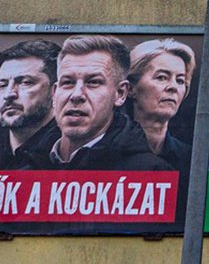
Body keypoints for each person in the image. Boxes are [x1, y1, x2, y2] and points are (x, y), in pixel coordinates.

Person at [43, 36, 171, 172]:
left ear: (120, 93)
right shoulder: (27, 164)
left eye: (93, 82)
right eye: (68, 82)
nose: (76, 95)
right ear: (54, 93)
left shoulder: (149, 173)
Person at [0, 39, 61, 178]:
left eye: (25, 82)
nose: (9, 94)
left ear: (55, 90)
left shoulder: (72, 157)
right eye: (2, 85)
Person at [126, 38, 196, 171]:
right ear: (130, 88)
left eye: (180, 80)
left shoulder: (191, 159)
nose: (173, 87)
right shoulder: (105, 152)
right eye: (161, 77)